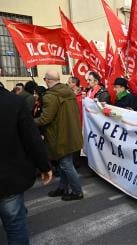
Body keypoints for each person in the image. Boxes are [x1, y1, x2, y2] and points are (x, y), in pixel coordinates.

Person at [0, 85, 52, 244]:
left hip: (8, 178)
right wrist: (44, 166)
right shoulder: (13, 101)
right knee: (15, 225)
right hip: (8, 178)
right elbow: (32, 139)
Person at [34, 70, 84, 201]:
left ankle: (77, 191)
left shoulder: (50, 96)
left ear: (48, 80)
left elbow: (45, 119)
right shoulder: (68, 92)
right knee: (63, 163)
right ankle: (62, 187)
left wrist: (29, 121)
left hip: (60, 135)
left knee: (66, 164)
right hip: (69, 133)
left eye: (45, 79)